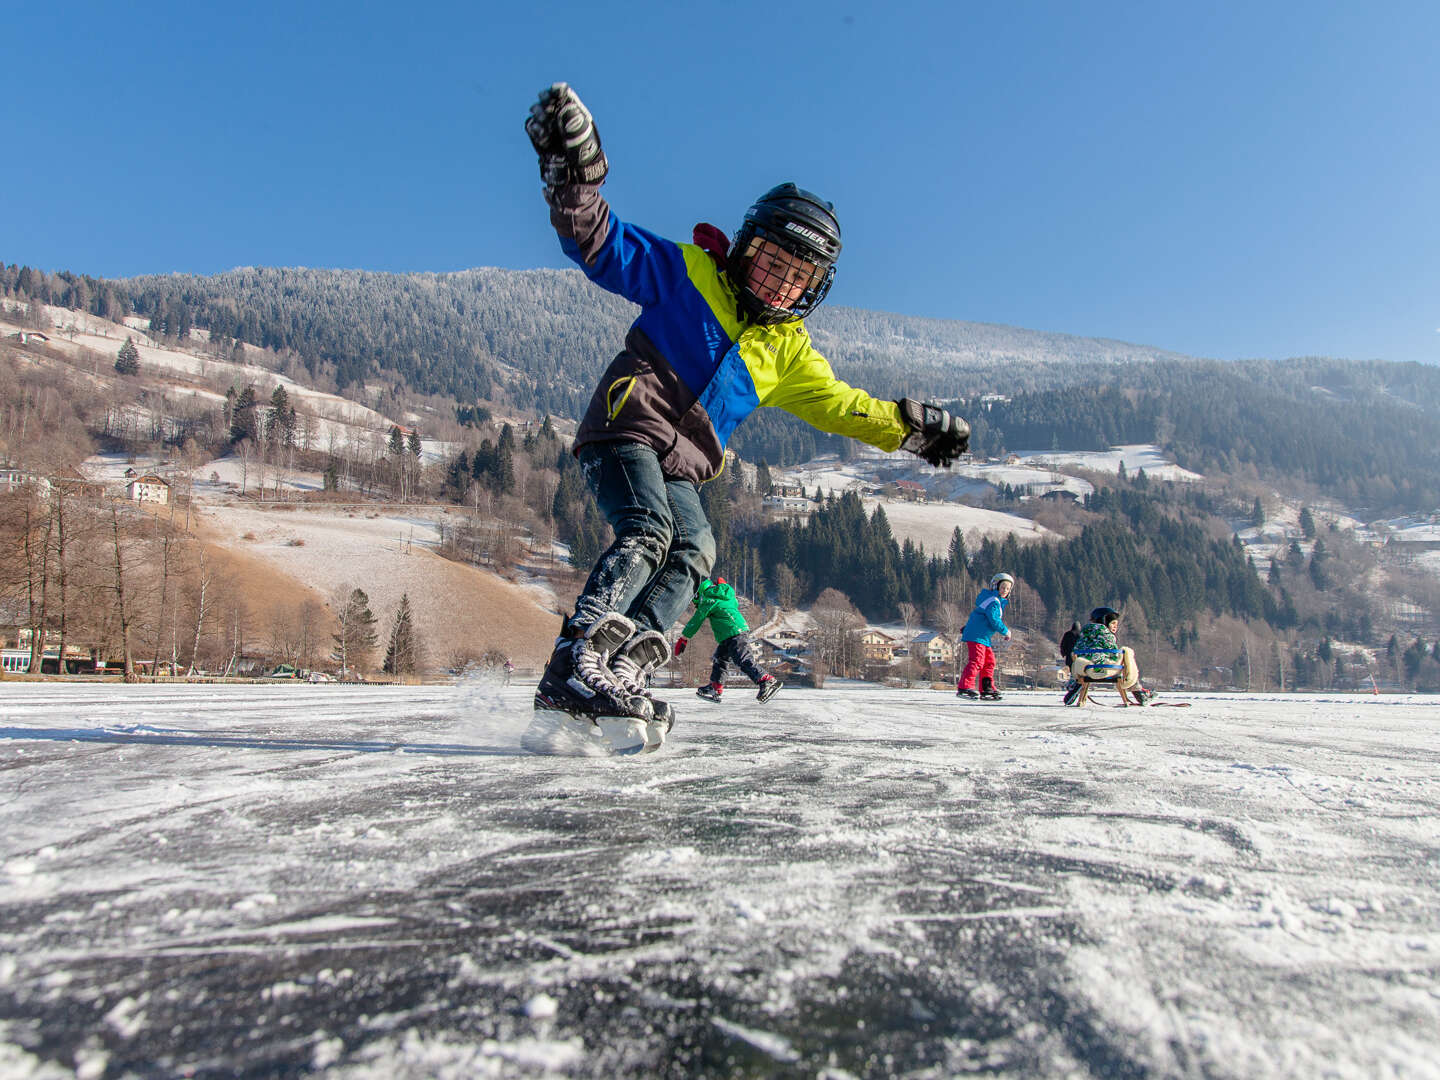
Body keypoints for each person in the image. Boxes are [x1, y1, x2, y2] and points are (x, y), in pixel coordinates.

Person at [524, 83, 971, 730]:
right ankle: (574, 659)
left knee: (695, 548)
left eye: (799, 278)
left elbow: (845, 408)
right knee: (649, 532)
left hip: (682, 466)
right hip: (628, 426)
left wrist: (912, 432)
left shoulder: (787, 353)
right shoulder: (688, 274)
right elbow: (602, 243)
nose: (781, 282)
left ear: (814, 290)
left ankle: (621, 664)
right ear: (746, 246)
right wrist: (574, 181)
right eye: (772, 262)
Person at [675, 576, 779, 703]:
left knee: (742, 659)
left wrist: (684, 638)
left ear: (698, 595)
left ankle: (766, 679)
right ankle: (715, 687)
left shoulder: (708, 599)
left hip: (734, 633)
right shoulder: (723, 596)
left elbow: (697, 619)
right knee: (720, 659)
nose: (696, 605)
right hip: (730, 634)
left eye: (695, 601)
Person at [1063, 607, 1155, 706]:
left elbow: (1076, 651)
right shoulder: (1107, 634)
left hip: (1084, 671)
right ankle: (1138, 691)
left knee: (1082, 661)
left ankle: (1077, 684)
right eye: (1113, 623)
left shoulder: (1083, 634)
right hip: (1104, 669)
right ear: (1104, 621)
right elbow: (1113, 655)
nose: (1115, 626)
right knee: (1126, 653)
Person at [957, 573, 1014, 700]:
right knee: (977, 660)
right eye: (1003, 587)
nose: (1005, 590)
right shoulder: (993, 601)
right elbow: (993, 619)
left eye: (1008, 588)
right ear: (995, 587)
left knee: (989, 662)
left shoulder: (995, 601)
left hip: (983, 637)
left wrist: (968, 628)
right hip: (978, 636)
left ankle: (986, 688)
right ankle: (965, 687)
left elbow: (978, 616)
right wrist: (1005, 631)